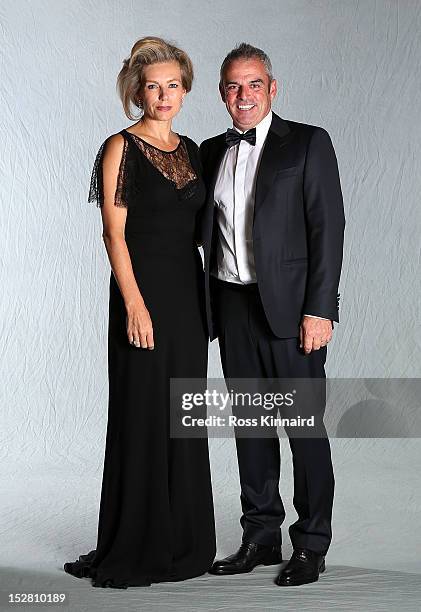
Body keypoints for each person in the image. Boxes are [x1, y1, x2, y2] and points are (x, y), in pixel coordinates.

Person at [63, 36, 216, 588]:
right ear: (137, 91)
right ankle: (139, 542)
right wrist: (134, 303)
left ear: (185, 89)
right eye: (153, 86)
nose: (163, 95)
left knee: (183, 415)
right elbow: (113, 232)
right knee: (145, 413)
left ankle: (186, 541)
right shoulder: (119, 147)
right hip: (142, 294)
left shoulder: (194, 150)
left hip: (187, 299)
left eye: (173, 84)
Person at [199, 43, 345, 587]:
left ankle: (310, 543)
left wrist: (319, 308)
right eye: (233, 86)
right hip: (233, 306)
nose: (243, 95)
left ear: (272, 88)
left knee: (303, 428)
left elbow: (327, 232)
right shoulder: (211, 150)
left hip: (293, 311)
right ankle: (260, 536)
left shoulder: (307, 143)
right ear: (222, 94)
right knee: (251, 429)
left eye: (253, 84)